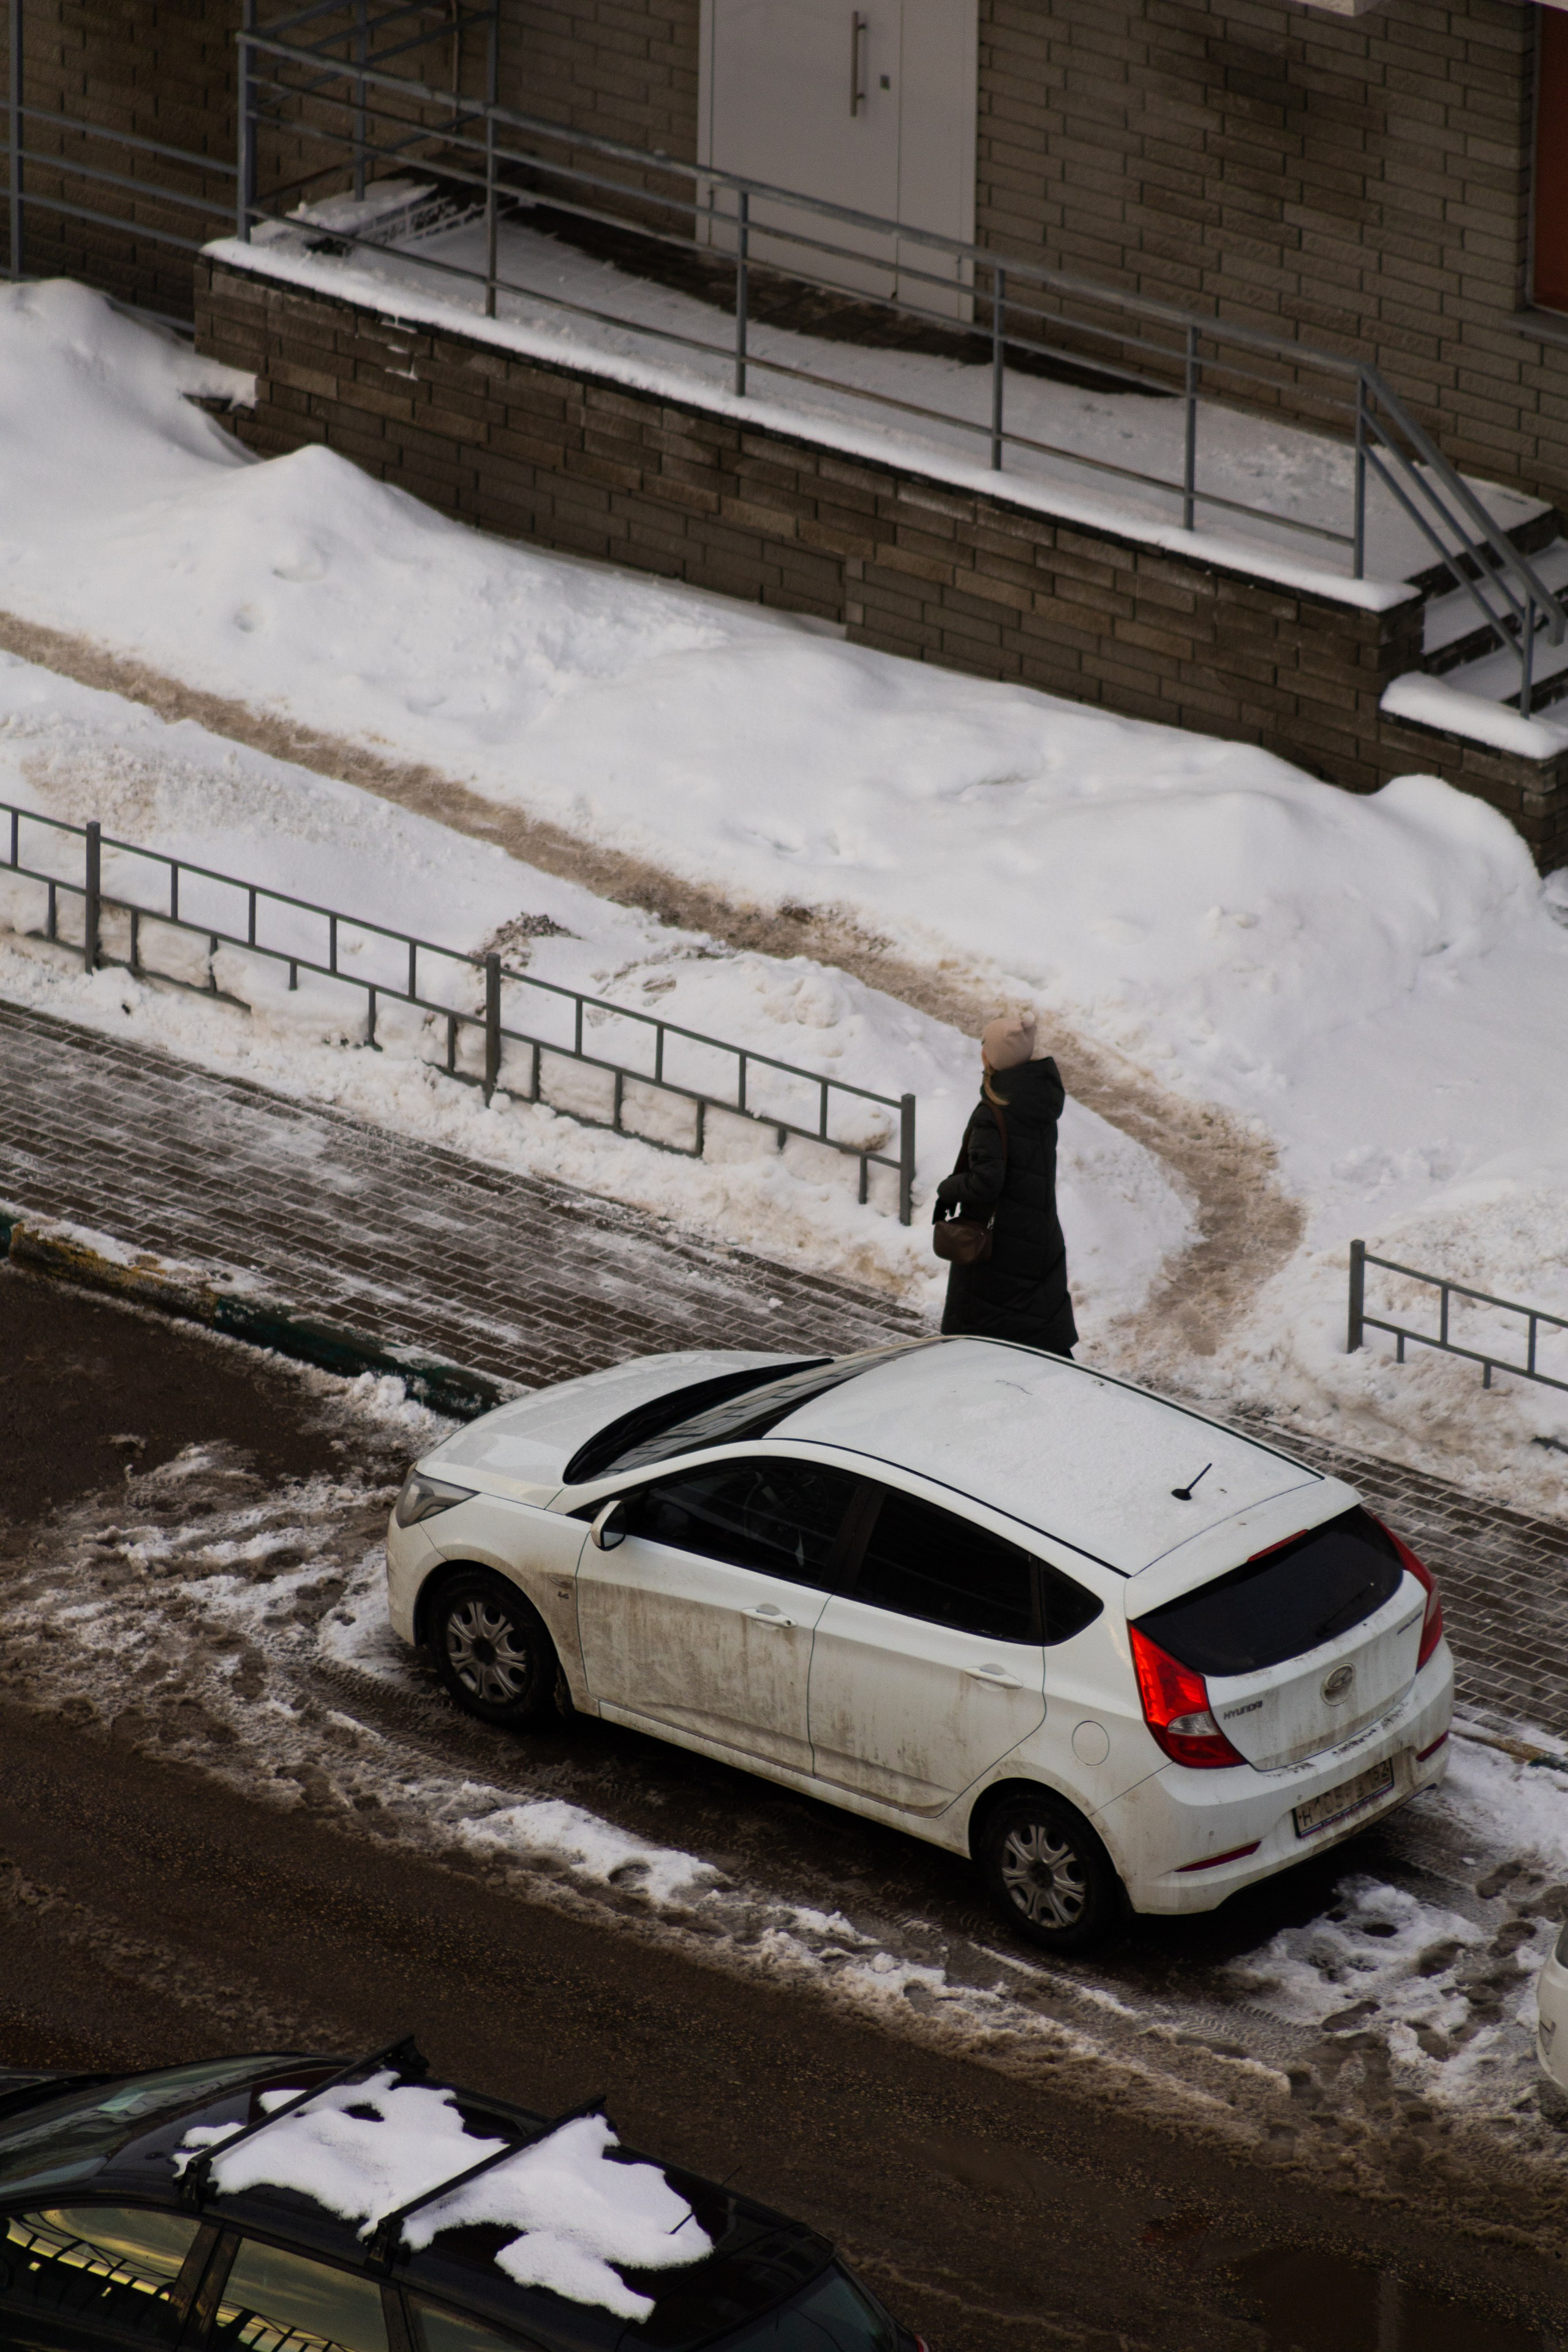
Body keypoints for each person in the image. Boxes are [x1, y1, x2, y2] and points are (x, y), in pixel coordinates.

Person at [933, 1009, 1077, 1357]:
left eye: (985, 1045)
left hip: (1000, 1247)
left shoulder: (994, 1111)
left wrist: (948, 1189)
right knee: (1035, 1330)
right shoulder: (1039, 1099)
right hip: (1037, 1235)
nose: (981, 1049)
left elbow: (986, 1183)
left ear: (994, 1057)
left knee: (979, 1338)